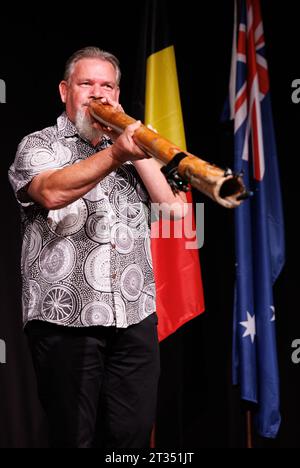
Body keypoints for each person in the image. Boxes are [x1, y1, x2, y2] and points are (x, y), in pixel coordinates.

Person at [8, 46, 187, 449]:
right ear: (64, 91)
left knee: (131, 440)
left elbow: (174, 212)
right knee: (74, 438)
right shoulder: (40, 145)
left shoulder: (130, 151)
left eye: (107, 85)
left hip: (134, 317)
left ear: (118, 95)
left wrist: (136, 150)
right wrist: (115, 153)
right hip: (66, 319)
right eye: (86, 83)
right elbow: (52, 193)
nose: (98, 93)